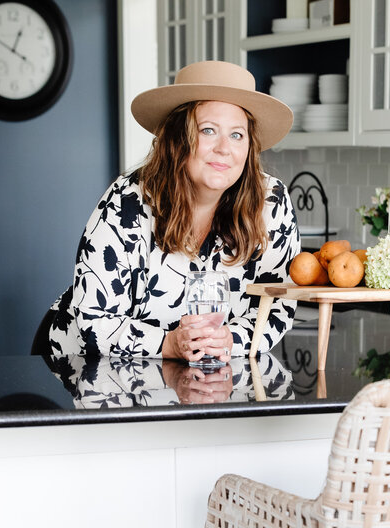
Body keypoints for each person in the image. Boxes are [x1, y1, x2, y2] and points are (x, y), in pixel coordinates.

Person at [48, 61, 300, 364]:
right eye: (208, 130)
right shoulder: (129, 200)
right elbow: (94, 319)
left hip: (203, 377)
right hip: (85, 369)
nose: (224, 148)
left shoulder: (270, 201)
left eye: (237, 135)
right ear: (177, 139)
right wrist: (169, 344)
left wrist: (230, 340)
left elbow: (277, 304)